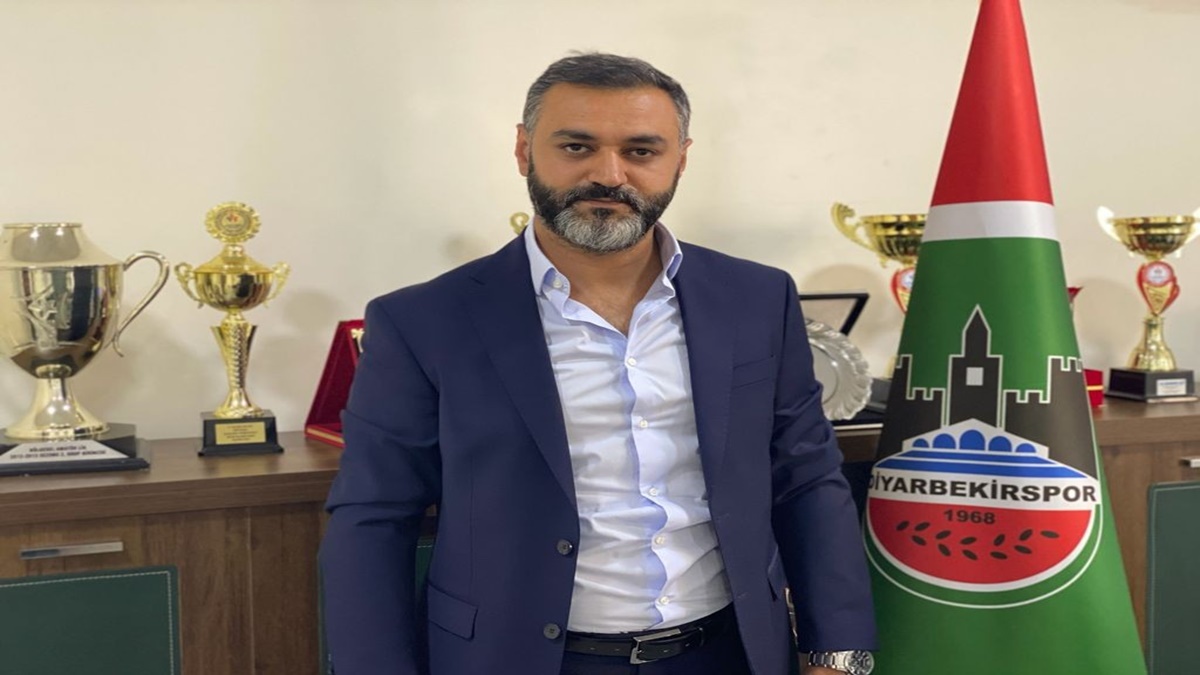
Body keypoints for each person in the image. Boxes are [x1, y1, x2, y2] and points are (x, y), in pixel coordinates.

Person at [319, 52, 877, 675]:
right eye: (577, 146)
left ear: (680, 160)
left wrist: (839, 652)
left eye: (641, 151)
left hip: (729, 653)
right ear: (524, 150)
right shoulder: (423, 321)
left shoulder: (757, 298)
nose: (609, 174)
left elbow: (806, 477)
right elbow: (374, 517)